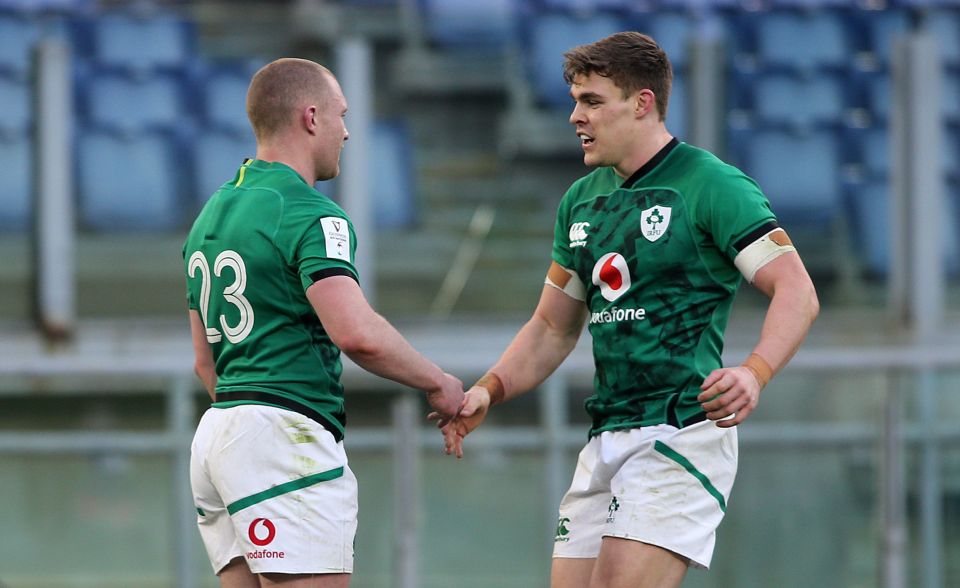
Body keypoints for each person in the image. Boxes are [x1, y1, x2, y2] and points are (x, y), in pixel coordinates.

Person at [438, 32, 819, 587]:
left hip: (681, 430)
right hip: (607, 434)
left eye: (592, 101)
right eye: (574, 101)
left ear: (642, 103)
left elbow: (797, 291)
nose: (575, 116)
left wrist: (753, 372)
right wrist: (489, 389)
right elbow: (551, 326)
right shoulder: (581, 201)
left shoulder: (711, 185)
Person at [184, 58, 464, 588]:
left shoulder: (211, 215)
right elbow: (356, 333)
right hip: (283, 432)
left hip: (218, 435)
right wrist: (440, 382)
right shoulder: (309, 213)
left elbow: (205, 360)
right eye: (341, 115)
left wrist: (245, 434)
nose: (348, 131)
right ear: (311, 117)